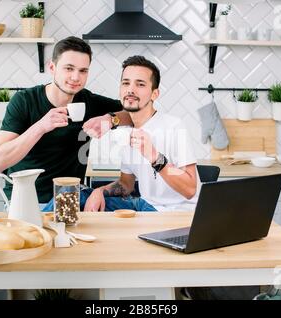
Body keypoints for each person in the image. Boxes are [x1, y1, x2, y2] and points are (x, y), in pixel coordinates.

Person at [0, 36, 132, 204]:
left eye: (83, 71)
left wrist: (111, 119)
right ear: (52, 67)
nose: (75, 77)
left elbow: (134, 114)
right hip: (25, 201)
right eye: (69, 68)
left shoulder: (88, 101)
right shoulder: (24, 101)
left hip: (68, 202)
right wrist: (40, 127)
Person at [82, 55, 199, 212]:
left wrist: (154, 157)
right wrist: (100, 191)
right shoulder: (127, 134)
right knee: (77, 197)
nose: (130, 89)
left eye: (140, 84)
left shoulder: (173, 127)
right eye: (126, 83)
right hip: (145, 206)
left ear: (154, 94)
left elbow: (190, 189)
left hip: (176, 213)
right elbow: (126, 185)